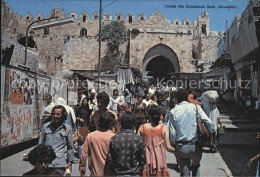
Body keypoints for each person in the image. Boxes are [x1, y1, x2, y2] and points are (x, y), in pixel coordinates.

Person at [167, 88, 215, 177]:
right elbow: (209, 123)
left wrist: (174, 145)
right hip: (196, 146)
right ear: (187, 97)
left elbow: (172, 133)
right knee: (196, 166)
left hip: (182, 147)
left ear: (176, 99)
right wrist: (212, 134)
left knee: (184, 171)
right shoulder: (195, 107)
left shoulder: (173, 111)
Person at [138, 106, 175, 176]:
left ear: (149, 115)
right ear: (160, 115)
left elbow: (138, 146)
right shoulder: (164, 128)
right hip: (159, 161)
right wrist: (177, 150)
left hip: (146, 161)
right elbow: (168, 147)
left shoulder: (142, 127)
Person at [39, 105, 74, 176]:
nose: (55, 116)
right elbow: (40, 145)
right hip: (46, 164)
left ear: (63, 115)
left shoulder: (67, 129)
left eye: (58, 114)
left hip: (60, 164)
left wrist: (70, 163)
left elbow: (70, 147)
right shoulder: (46, 127)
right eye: (54, 114)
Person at [108, 111, 146, 176]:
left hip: (118, 174)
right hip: (134, 173)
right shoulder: (139, 139)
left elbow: (110, 160)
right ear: (134, 124)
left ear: (121, 124)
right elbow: (143, 160)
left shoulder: (114, 139)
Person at [79, 112, 116, 176]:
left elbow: (84, 155)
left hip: (95, 173)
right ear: (111, 124)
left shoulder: (90, 136)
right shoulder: (114, 137)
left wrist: (83, 170)